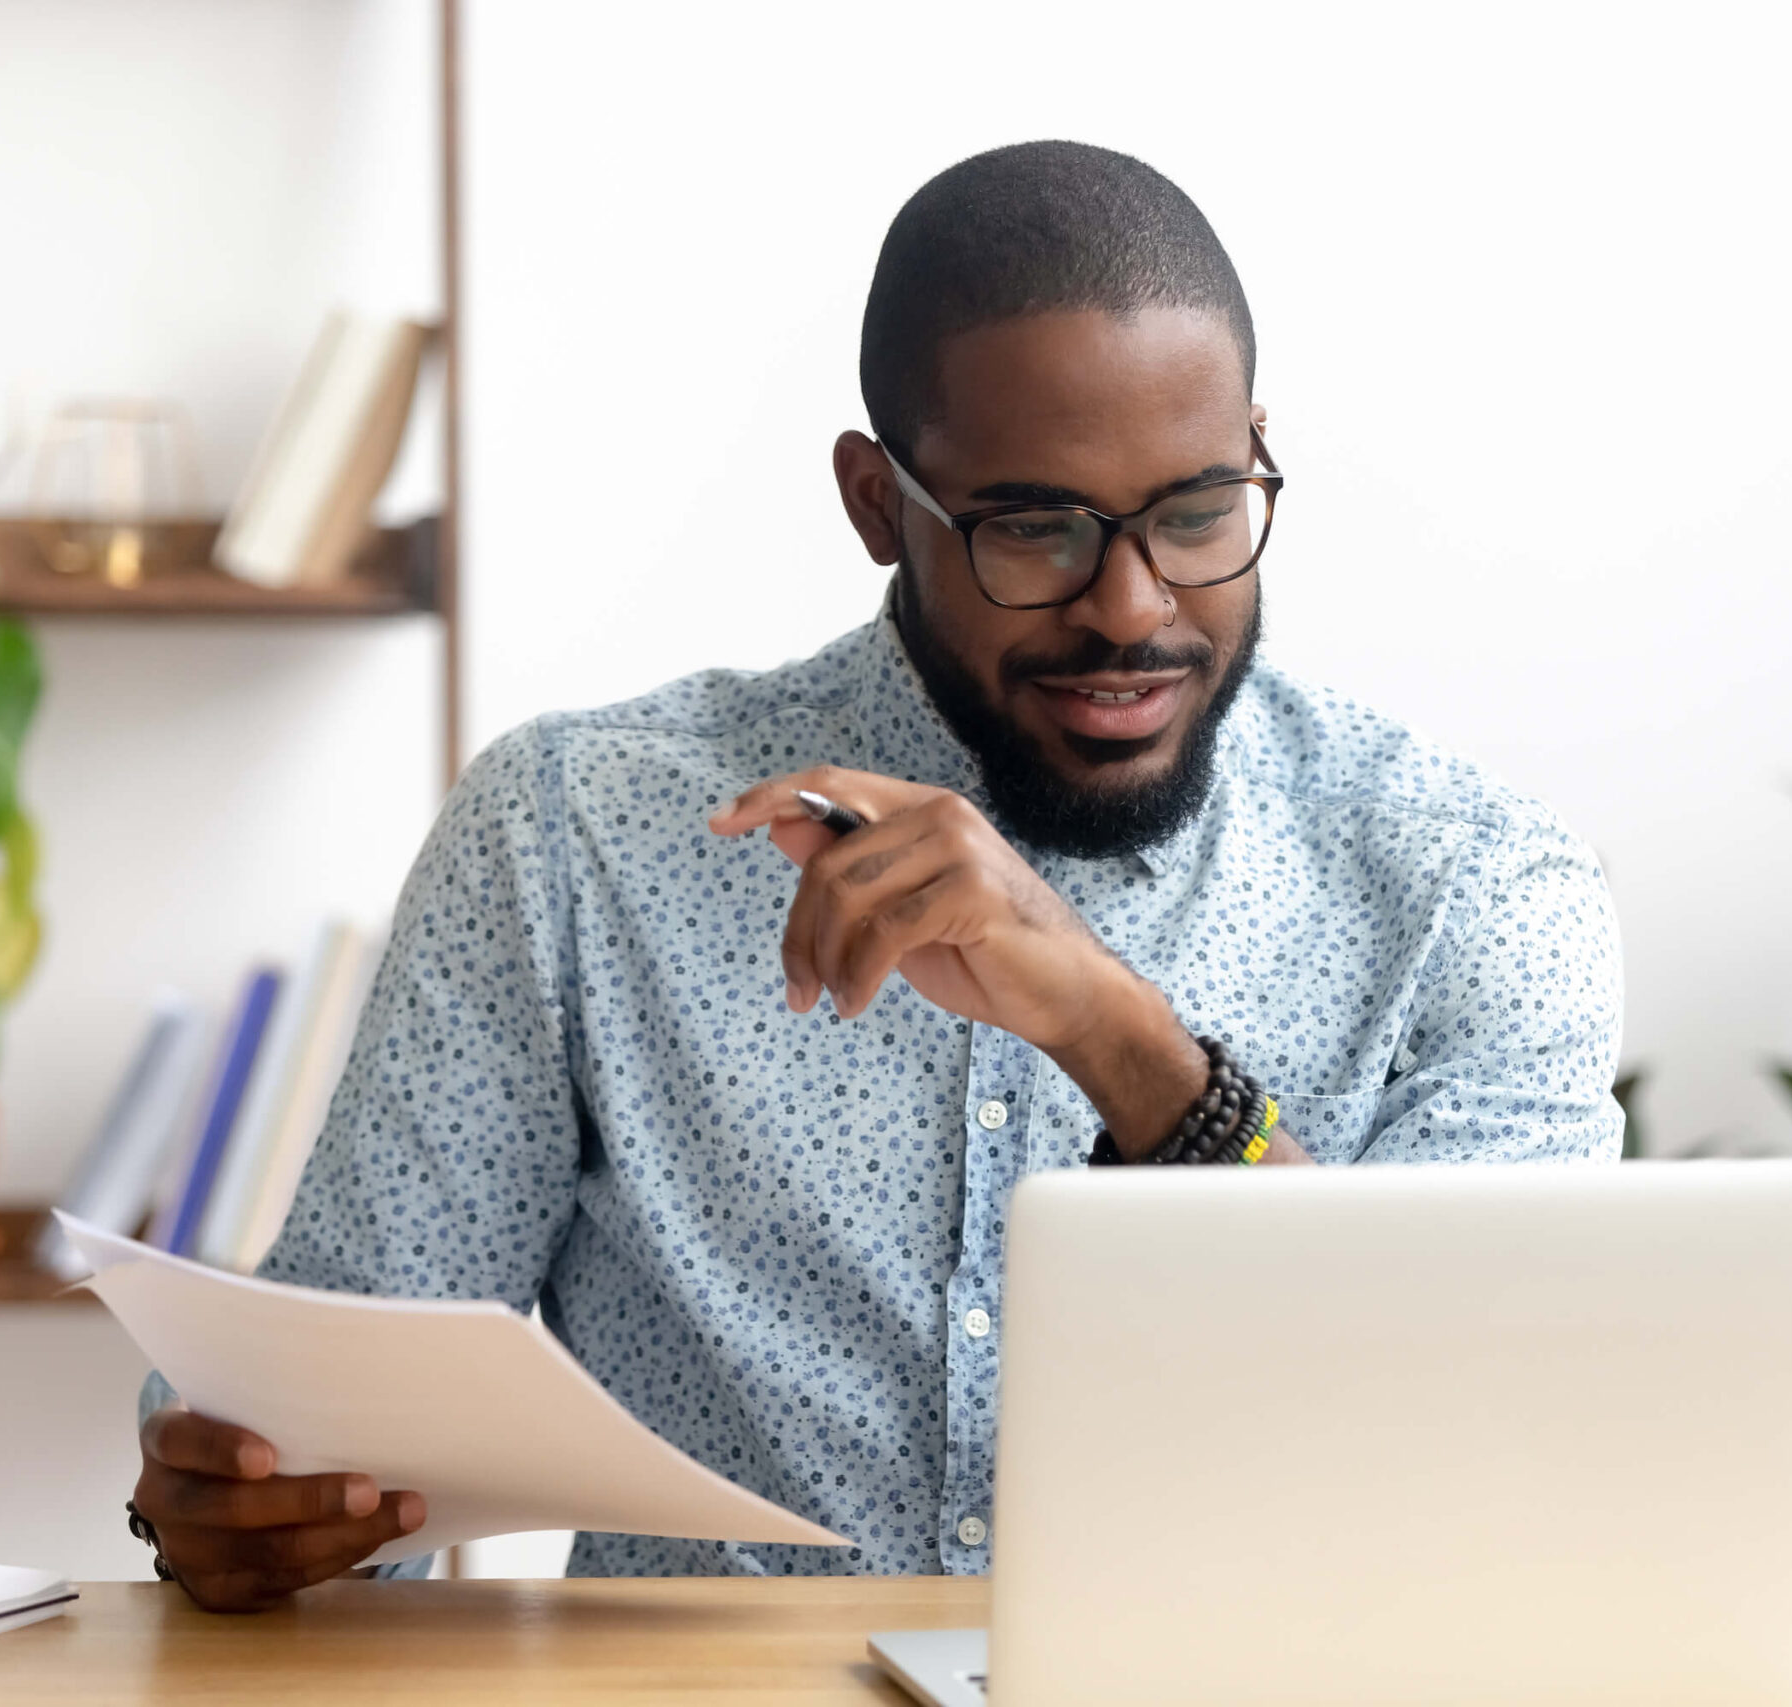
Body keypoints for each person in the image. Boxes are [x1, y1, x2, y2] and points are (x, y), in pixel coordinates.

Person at [129, 139, 1625, 1611]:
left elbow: (1469, 1459)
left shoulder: (1476, 892)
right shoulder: (573, 834)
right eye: (1035, 529)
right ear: (874, 501)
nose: (1133, 607)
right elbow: (333, 1414)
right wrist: (246, 1504)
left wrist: (1119, 1037)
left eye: (1196, 513)